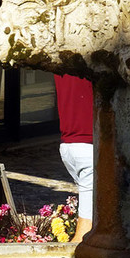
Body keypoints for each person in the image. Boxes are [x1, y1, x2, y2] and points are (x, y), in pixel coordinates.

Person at [55, 73, 94, 235]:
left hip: (68, 146)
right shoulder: (92, 59)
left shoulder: (63, 61)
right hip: (89, 148)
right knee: (86, 230)